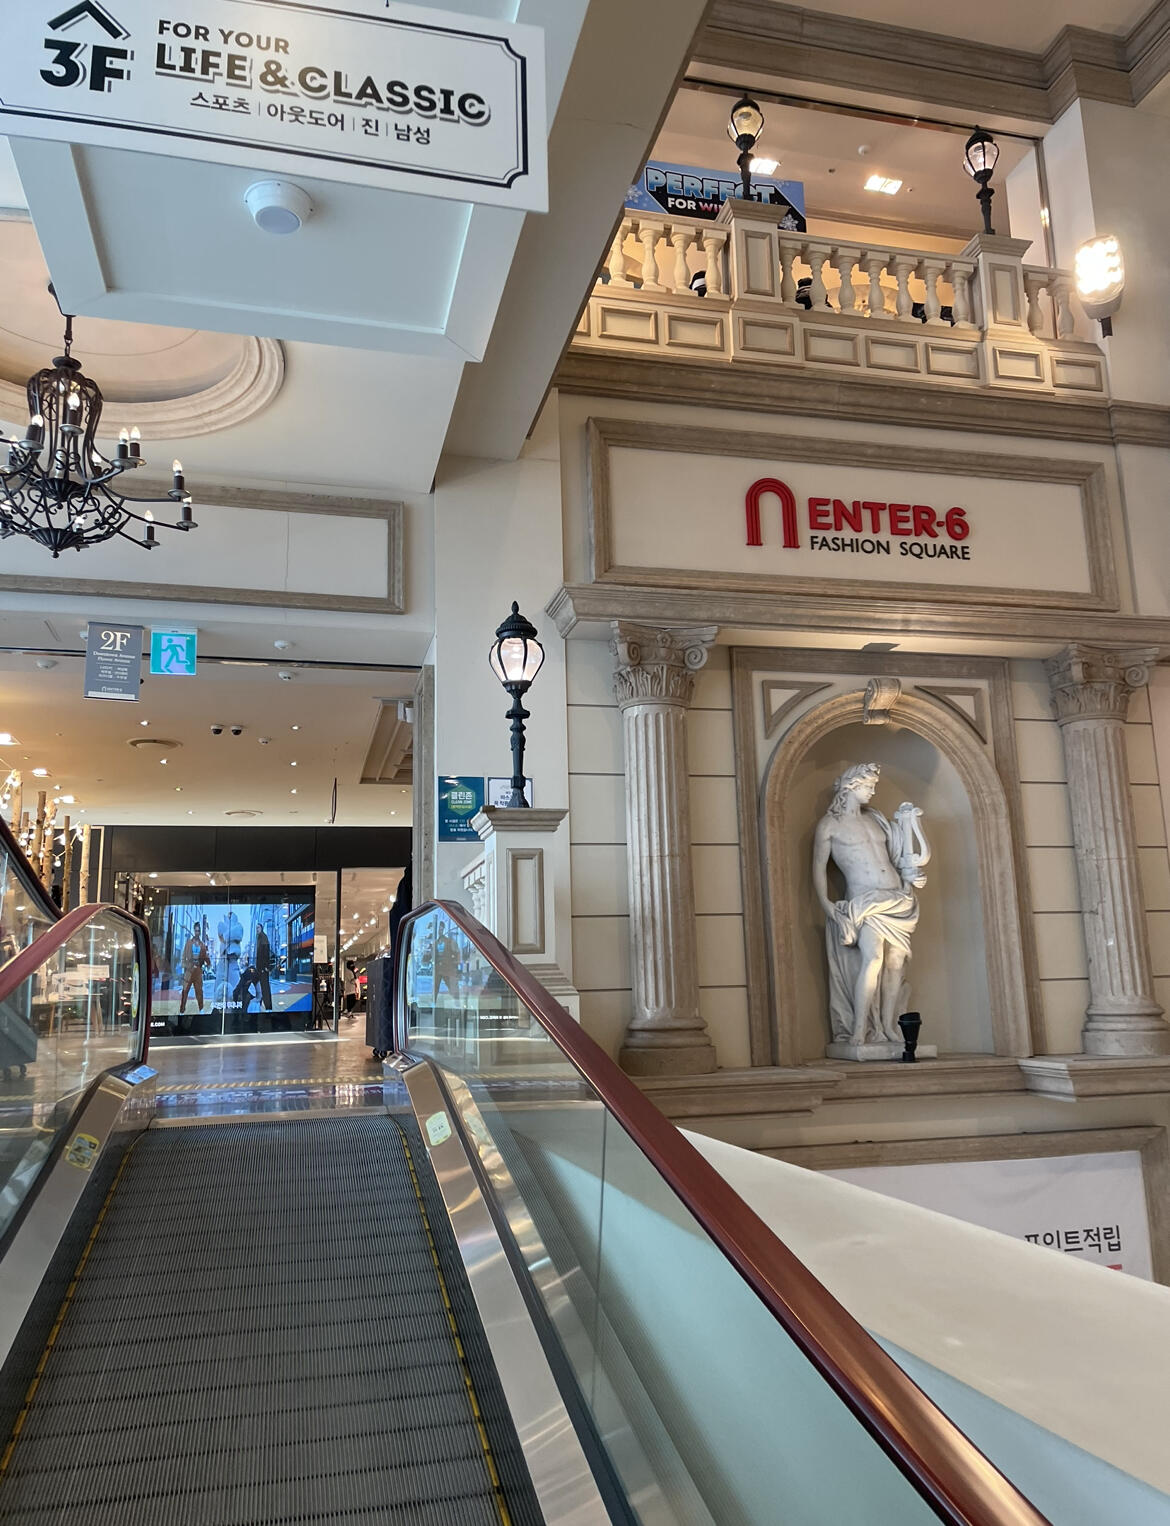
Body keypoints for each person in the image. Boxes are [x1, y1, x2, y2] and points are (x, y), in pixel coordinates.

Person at [812, 762, 929, 1046]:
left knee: (895, 962)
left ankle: (888, 1027)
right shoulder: (830, 825)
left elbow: (895, 858)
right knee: (873, 958)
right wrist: (827, 905)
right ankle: (859, 1028)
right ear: (851, 787)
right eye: (868, 786)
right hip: (865, 902)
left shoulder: (876, 819)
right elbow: (818, 869)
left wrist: (912, 876)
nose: (872, 792)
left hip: (897, 899)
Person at [178, 920, 211, 1029]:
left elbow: (206, 957)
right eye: (196, 930)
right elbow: (183, 956)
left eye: (198, 931)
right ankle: (182, 1011)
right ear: (194, 931)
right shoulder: (189, 943)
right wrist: (184, 965)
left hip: (198, 971)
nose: (197, 932)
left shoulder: (202, 945)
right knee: (185, 991)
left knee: (199, 991)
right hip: (189, 970)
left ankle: (201, 1010)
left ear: (200, 932)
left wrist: (208, 964)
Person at [254, 922, 273, 1012]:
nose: (257, 929)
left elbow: (266, 953)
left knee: (265, 987)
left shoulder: (263, 937)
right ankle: (263, 1004)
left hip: (262, 968)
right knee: (261, 986)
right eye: (256, 928)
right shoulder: (259, 938)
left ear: (261, 928)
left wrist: (265, 967)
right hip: (260, 968)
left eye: (258, 928)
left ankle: (268, 1007)